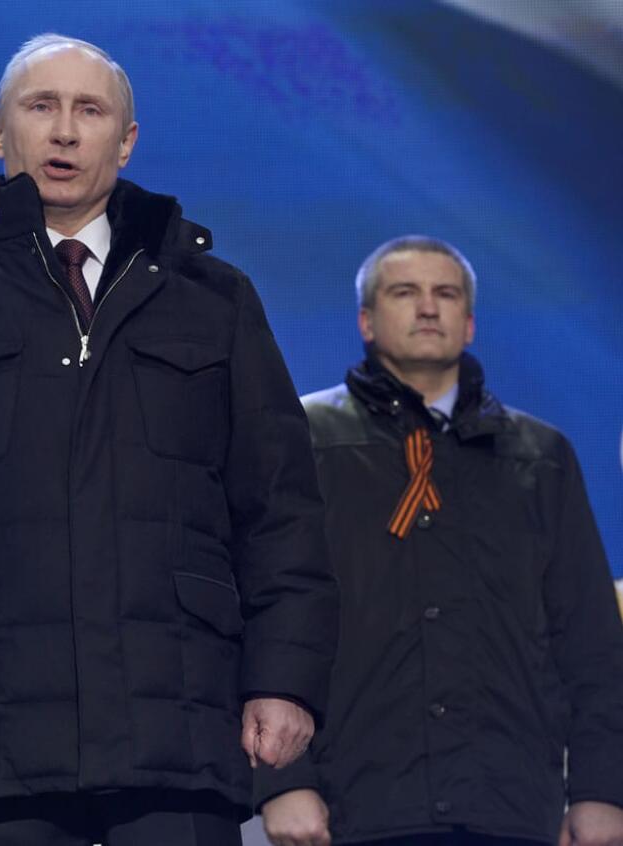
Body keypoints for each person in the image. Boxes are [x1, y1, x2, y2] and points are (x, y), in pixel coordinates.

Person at [0, 33, 340, 846]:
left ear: (125, 140)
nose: (64, 132)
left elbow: (280, 511)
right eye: (42, 107)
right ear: (0, 131)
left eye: (89, 110)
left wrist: (285, 683)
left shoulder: (214, 298)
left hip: (180, 732)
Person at [256, 236, 623, 846]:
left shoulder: (540, 457)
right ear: (366, 321)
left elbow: (588, 642)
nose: (429, 308)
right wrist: (283, 780)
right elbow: (265, 613)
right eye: (406, 292)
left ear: (470, 322)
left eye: (445, 294)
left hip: (509, 803)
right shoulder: (305, 439)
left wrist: (601, 790)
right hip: (353, 802)